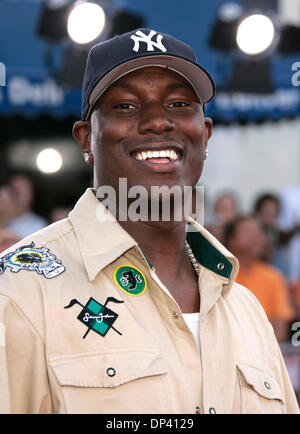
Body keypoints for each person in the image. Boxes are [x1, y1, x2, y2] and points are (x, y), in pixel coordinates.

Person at [0, 29, 298, 414]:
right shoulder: (20, 291)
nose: (158, 122)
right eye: (125, 106)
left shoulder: (245, 310)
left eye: (179, 105)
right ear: (86, 139)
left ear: (204, 136)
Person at [223, 216, 295, 343]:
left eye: (258, 232)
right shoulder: (220, 276)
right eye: (247, 232)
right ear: (230, 240)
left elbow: (280, 330)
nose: (254, 238)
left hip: (265, 351)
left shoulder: (274, 277)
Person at [7, 174, 47, 238]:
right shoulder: (3, 221)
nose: (18, 198)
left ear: (31, 196)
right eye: (15, 191)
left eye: (23, 193)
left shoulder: (39, 224)